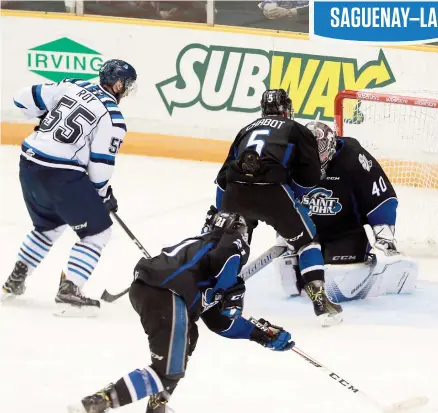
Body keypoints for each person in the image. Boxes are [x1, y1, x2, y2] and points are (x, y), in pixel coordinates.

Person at [68, 211, 294, 413]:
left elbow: (219, 321)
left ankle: (157, 406)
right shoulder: (228, 245)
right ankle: (97, 403)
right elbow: (228, 258)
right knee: (167, 371)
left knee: (187, 340)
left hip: (151, 291)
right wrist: (231, 289)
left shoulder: (203, 257)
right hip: (168, 295)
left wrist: (258, 334)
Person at [1, 59, 137, 314]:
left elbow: (21, 99)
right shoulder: (113, 118)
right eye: (126, 85)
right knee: (97, 233)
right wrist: (102, 196)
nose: (126, 91)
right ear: (118, 84)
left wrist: (45, 117)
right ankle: (70, 290)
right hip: (60, 174)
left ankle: (16, 278)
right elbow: (99, 166)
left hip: (29, 163)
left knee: (48, 225)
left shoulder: (72, 85)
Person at [212, 89, 343, 327]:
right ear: (286, 109)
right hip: (273, 192)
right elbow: (310, 177)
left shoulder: (246, 129)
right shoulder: (296, 129)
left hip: (235, 192)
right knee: (307, 242)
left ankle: (221, 296)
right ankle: (320, 300)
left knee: (232, 243)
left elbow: (223, 177)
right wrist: (293, 196)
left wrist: (219, 213)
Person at [275, 121, 418, 302]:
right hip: (308, 230)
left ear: (331, 146)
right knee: (292, 279)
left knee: (333, 276)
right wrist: (285, 230)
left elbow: (382, 197)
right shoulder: (289, 159)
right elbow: (280, 196)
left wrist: (384, 238)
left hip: (346, 231)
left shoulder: (354, 158)